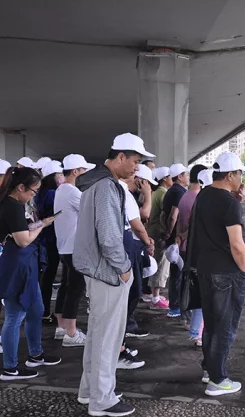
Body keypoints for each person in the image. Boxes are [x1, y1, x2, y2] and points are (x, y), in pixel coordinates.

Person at [74, 133, 154, 417]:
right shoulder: (107, 186)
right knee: (107, 339)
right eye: (135, 161)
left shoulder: (95, 183)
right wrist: (124, 269)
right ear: (120, 156)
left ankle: (90, 391)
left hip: (96, 269)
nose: (137, 167)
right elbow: (109, 237)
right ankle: (102, 400)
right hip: (107, 271)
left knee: (98, 336)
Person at [193, 152, 245, 397]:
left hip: (206, 269)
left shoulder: (204, 195)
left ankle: (210, 369)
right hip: (227, 273)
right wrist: (244, 270)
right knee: (224, 327)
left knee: (211, 324)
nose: (241, 178)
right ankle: (218, 379)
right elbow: (236, 244)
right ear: (230, 175)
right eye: (240, 174)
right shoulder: (228, 203)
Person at [0, 167, 61, 380]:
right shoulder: (11, 205)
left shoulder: (14, 204)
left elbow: (23, 232)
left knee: (36, 309)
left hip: (25, 262)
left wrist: (40, 223)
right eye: (33, 191)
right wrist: (42, 225)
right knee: (15, 315)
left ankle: (35, 354)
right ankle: (10, 367)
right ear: (20, 187)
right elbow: (23, 240)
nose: (33, 195)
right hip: (17, 264)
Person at [53, 155, 95, 348]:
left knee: (66, 286)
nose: (86, 174)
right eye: (84, 170)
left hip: (64, 246)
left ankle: (62, 327)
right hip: (74, 247)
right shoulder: (72, 192)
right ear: (76, 171)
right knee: (75, 289)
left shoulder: (61, 189)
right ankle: (71, 333)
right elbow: (92, 211)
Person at [121, 165, 155, 339]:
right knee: (133, 289)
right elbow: (142, 218)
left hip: (133, 244)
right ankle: (126, 326)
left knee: (134, 288)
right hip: (131, 246)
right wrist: (147, 195)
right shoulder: (127, 194)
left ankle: (127, 324)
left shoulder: (128, 194)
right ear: (140, 181)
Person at [175, 164, 207, 346]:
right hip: (194, 248)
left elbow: (177, 221)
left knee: (186, 285)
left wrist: (178, 238)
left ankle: (187, 319)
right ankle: (195, 330)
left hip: (184, 247)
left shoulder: (185, 196)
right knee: (199, 291)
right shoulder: (198, 198)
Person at [35, 160, 64, 324]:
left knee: (45, 276)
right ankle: (44, 312)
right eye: (60, 175)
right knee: (48, 276)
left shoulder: (42, 192)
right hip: (51, 239)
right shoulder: (53, 194)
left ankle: (43, 311)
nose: (62, 177)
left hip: (44, 238)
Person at [162, 163, 189, 318]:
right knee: (178, 274)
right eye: (186, 174)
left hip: (172, 238)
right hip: (176, 239)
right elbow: (173, 216)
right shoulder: (179, 192)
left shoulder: (172, 190)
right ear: (180, 176)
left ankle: (174, 306)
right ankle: (175, 307)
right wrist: (170, 233)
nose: (188, 177)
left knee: (175, 273)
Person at [144, 166, 172, 309]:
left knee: (157, 263)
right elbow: (165, 215)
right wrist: (168, 231)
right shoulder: (163, 194)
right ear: (165, 179)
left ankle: (155, 295)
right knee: (161, 265)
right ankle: (155, 297)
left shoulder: (156, 192)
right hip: (159, 233)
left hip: (153, 231)